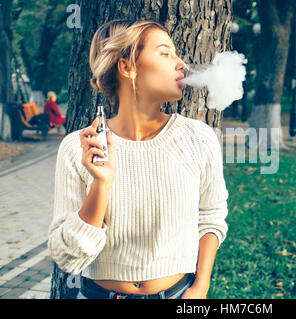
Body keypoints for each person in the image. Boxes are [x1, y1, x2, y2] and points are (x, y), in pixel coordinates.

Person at [47, 19, 229, 299]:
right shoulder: (79, 148)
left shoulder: (198, 138)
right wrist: (101, 184)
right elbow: (69, 258)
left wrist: (200, 287)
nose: (181, 64)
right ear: (127, 67)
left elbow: (211, 217)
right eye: (165, 53)